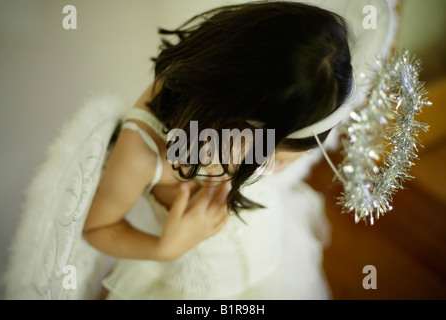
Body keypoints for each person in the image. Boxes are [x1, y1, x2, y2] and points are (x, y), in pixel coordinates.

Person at [82, 0, 354, 300]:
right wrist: (164, 248)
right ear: (227, 117)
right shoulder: (143, 151)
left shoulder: (286, 102)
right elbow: (97, 228)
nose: (275, 167)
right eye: (270, 158)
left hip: (270, 254)